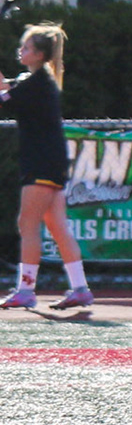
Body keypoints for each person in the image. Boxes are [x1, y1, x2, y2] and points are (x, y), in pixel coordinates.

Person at [0, 23, 91, 310]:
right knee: (57, 225)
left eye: (27, 47)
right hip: (52, 161)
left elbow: (5, 97)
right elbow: (10, 88)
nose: (21, 50)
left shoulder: (36, 83)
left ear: (39, 55)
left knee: (27, 223)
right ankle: (80, 288)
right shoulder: (37, 80)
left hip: (40, 162)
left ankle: (26, 290)